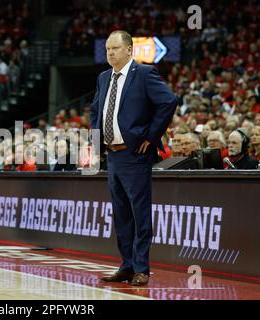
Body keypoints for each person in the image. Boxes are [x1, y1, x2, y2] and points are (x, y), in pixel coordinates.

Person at [89, 31, 177, 286]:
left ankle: (141, 268)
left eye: (115, 48)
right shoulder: (104, 77)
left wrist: (151, 135)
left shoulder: (144, 74)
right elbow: (96, 110)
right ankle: (126, 265)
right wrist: (96, 143)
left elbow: (169, 102)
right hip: (112, 155)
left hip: (135, 154)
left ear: (129, 50)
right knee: (121, 215)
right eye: (107, 49)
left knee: (139, 213)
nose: (110, 53)